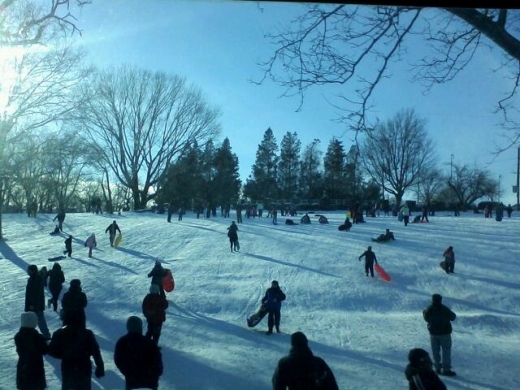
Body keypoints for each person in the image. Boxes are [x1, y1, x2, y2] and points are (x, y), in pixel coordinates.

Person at [48, 309, 105, 390]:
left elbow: (52, 351)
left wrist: (62, 355)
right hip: (84, 367)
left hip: (68, 367)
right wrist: (100, 366)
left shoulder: (59, 333)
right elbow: (96, 351)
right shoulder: (87, 334)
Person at [272, 331, 339, 390]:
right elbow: (331, 385)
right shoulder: (319, 363)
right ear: (306, 343)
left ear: (292, 344)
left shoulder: (284, 364)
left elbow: (277, 384)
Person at [114, 315, 163, 390]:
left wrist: (128, 372)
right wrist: (155, 374)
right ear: (140, 327)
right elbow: (158, 361)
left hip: (132, 381)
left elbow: (118, 360)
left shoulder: (122, 342)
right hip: (150, 382)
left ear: (128, 327)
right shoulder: (149, 343)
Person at [423, 294, 457, 377]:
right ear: (440, 300)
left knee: (435, 351)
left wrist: (424, 312)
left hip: (433, 333)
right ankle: (446, 369)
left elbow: (426, 318)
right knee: (446, 351)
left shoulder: (429, 309)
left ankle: (437, 368)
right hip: (445, 333)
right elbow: (453, 317)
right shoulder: (444, 309)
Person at [14, 312, 49, 390]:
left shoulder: (18, 336)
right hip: (35, 369)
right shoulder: (37, 337)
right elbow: (45, 350)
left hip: (23, 367)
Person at [25, 264, 51, 340]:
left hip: (35, 305)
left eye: (28, 270)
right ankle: (43, 335)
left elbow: (35, 294)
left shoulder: (35, 279)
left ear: (32, 271)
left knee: (40, 320)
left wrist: (32, 304)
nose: (27, 271)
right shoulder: (34, 278)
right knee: (36, 320)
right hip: (34, 304)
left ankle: (46, 336)